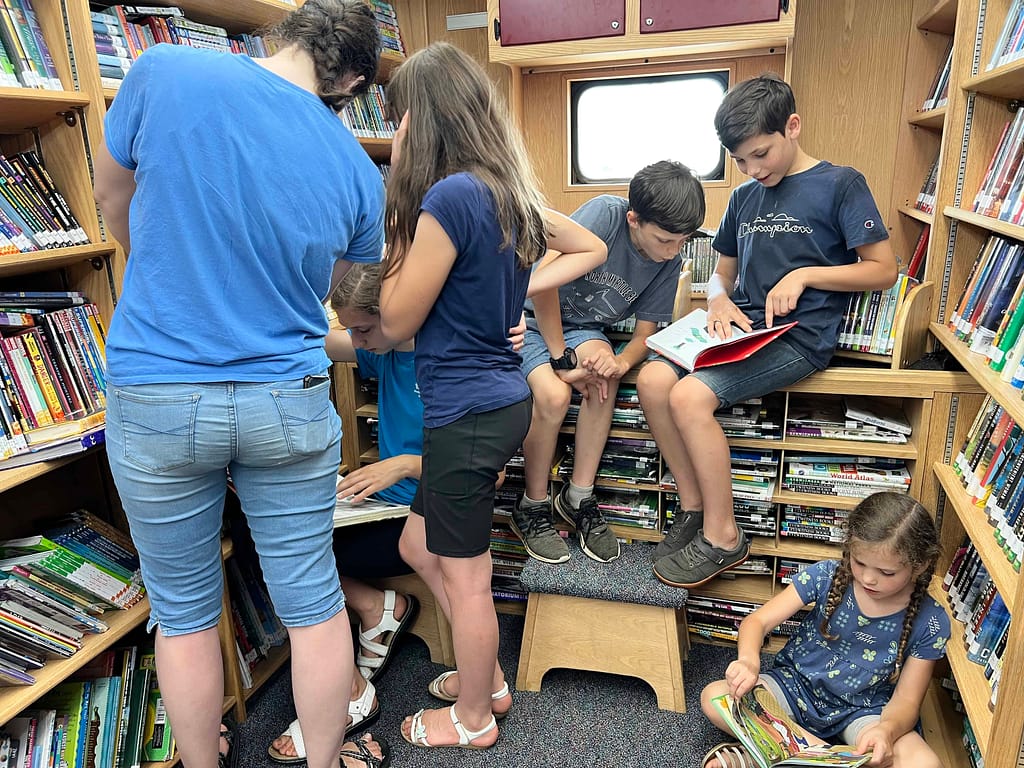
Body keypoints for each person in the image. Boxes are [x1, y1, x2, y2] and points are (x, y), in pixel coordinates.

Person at [92, 3, 391, 767]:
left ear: (287, 35)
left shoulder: (163, 71)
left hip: (158, 390)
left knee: (184, 615)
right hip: (285, 397)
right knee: (314, 605)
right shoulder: (359, 169)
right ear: (352, 82)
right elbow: (327, 287)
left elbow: (113, 201)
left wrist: (169, 263)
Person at [377, 42, 608, 751]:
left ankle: (475, 716)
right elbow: (582, 248)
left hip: (469, 414)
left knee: (468, 579)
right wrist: (499, 305)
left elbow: (395, 320)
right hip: (494, 402)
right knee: (418, 543)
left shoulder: (447, 197)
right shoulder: (501, 189)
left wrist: (397, 198)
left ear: (419, 120)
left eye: (400, 119)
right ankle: (490, 679)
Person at [638, 72, 898, 588]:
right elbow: (722, 273)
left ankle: (724, 537)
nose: (753, 169)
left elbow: (883, 269)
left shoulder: (841, 184)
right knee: (651, 380)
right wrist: (716, 299)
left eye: (760, 154)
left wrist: (806, 275)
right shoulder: (743, 198)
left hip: (798, 337)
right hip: (741, 328)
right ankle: (694, 508)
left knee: (689, 397)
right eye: (740, 161)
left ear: (792, 127)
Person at [512, 161, 706, 565]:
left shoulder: (669, 261)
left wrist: (619, 363)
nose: (673, 251)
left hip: (582, 330)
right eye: (665, 239)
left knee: (603, 379)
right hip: (530, 319)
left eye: (683, 241)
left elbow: (643, 336)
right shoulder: (605, 214)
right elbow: (542, 284)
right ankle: (532, 504)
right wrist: (560, 360)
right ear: (634, 219)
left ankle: (578, 496)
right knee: (552, 396)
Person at [268, 263, 421, 764]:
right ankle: (375, 608)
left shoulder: (449, 362)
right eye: (351, 328)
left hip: (420, 516)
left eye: (364, 329)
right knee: (263, 536)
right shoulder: (385, 348)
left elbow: (491, 470)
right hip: (378, 507)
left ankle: (350, 691)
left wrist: (404, 464)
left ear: (398, 314)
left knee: (290, 557)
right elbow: (322, 340)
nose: (356, 340)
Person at [699, 492, 950, 768]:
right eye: (859, 562)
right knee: (715, 697)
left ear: (920, 565)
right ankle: (826, 758)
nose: (868, 578)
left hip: (863, 711)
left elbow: (907, 700)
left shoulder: (931, 621)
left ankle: (772, 754)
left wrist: (886, 732)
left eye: (886, 573)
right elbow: (757, 622)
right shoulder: (826, 575)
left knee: (925, 764)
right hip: (794, 688)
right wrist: (748, 661)